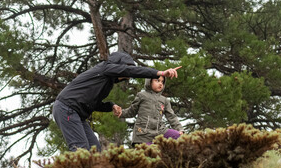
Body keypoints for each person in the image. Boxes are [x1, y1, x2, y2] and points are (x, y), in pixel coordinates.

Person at [52, 51, 181, 152]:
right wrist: (160, 73)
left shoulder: (107, 82)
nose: (129, 74)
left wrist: (111, 105)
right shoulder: (105, 68)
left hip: (78, 115)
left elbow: (94, 103)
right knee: (80, 149)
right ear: (119, 65)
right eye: (127, 69)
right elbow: (130, 70)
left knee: (95, 149)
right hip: (67, 108)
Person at [116, 75, 184, 147]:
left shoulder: (164, 100)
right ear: (149, 82)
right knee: (151, 152)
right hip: (143, 133)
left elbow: (172, 117)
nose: (160, 83)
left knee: (179, 137)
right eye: (157, 80)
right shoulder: (142, 95)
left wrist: (180, 129)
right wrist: (121, 112)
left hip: (160, 131)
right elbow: (131, 111)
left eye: (162, 82)